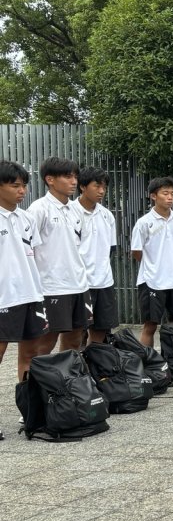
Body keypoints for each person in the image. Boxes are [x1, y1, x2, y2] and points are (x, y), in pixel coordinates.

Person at [28, 157, 91, 357]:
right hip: (51, 286)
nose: (74, 181)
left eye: (75, 177)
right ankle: (39, 377)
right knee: (46, 342)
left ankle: (66, 375)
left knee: (75, 337)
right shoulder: (38, 209)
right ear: (50, 180)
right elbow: (28, 248)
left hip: (78, 284)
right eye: (67, 177)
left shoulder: (77, 210)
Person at [130, 176, 173, 348]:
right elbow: (136, 251)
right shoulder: (144, 223)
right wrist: (154, 266)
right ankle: (148, 360)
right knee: (150, 325)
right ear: (153, 196)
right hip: (152, 280)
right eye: (165, 193)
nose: (170, 197)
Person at [0, 161, 48, 383]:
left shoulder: (27, 218)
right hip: (4, 298)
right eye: (15, 186)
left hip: (31, 294)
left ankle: (27, 402)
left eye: (24, 185)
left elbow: (33, 255)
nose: (22, 191)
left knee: (30, 354)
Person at [74, 167, 118, 344]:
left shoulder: (107, 215)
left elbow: (110, 249)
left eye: (104, 187)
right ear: (83, 186)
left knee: (100, 330)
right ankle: (75, 362)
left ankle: (95, 360)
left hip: (104, 282)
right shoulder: (69, 212)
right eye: (97, 186)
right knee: (76, 333)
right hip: (78, 283)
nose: (102, 191)